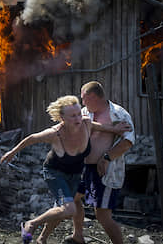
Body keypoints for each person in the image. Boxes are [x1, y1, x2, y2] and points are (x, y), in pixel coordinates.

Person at [0, 95, 130, 244]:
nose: (78, 119)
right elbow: (32, 138)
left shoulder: (86, 123)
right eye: (73, 116)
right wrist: (12, 152)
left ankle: (72, 237)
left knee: (75, 204)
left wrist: (115, 129)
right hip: (55, 174)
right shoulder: (54, 133)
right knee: (68, 209)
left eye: (79, 114)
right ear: (62, 118)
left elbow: (98, 126)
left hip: (75, 175)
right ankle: (32, 224)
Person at [65, 81, 135, 244]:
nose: (83, 103)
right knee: (73, 198)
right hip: (83, 168)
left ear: (94, 97)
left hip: (105, 170)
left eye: (84, 99)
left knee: (102, 215)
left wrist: (106, 158)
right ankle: (78, 236)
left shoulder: (118, 114)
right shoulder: (84, 112)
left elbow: (128, 141)